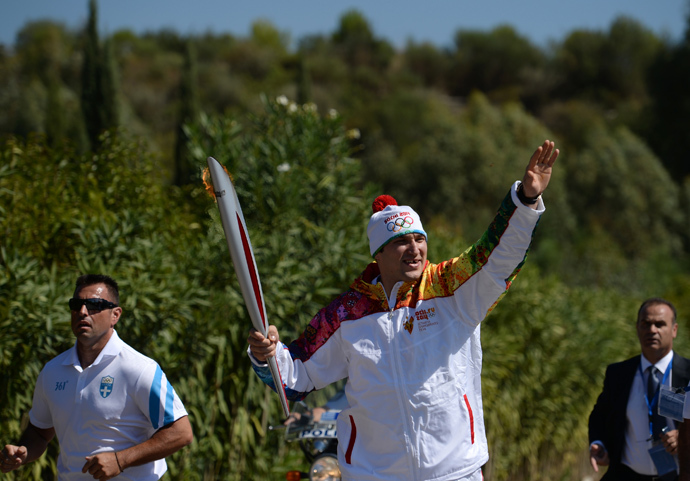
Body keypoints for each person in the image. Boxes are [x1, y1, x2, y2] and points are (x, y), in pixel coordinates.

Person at [248, 140, 559, 481]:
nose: (414, 249)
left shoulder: (450, 288)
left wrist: (525, 201)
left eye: (419, 239)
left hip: (455, 472)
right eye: (401, 242)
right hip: (376, 475)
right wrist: (267, 354)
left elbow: (498, 256)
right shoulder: (347, 314)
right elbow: (296, 375)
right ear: (378, 254)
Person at [0, 274, 193, 480]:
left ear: (115, 315)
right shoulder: (52, 371)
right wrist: (23, 453)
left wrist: (121, 460)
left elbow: (181, 433)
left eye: (94, 305)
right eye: (77, 304)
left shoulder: (139, 369)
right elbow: (39, 433)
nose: (83, 312)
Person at [588, 298, 690, 481]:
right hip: (628, 475)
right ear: (637, 328)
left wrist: (683, 438)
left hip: (677, 476)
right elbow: (599, 416)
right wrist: (598, 444)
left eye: (659, 324)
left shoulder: (687, 374)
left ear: (674, 330)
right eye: (645, 324)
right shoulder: (619, 374)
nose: (652, 330)